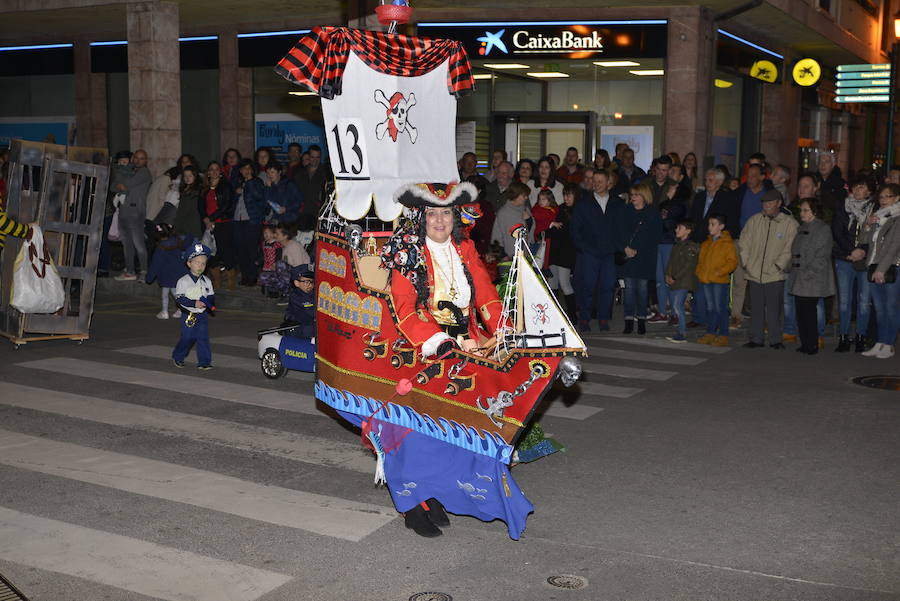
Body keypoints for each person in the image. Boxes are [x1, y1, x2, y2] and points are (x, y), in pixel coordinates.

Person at [383, 184, 509, 538]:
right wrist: (438, 342)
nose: (440, 220)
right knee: (416, 434)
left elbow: (485, 295)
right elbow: (405, 309)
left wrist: (504, 328)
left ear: (456, 218)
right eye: (433, 213)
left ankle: (435, 492)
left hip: (465, 347)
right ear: (421, 217)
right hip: (420, 347)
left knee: (455, 430)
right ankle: (412, 504)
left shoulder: (464, 248)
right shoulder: (408, 253)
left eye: (446, 213)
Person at [739, 189, 798, 349]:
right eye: (764, 203)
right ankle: (756, 338)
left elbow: (791, 246)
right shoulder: (755, 220)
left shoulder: (789, 223)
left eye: (770, 203)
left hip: (775, 273)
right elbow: (744, 241)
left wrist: (779, 265)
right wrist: (746, 262)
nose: (766, 206)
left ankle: (775, 339)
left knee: (774, 308)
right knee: (756, 308)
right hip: (754, 272)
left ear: (779, 203)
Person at [571, 170, 625, 332]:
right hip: (589, 252)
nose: (596, 184)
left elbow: (622, 228)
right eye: (594, 181)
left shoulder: (617, 203)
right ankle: (584, 319)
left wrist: (618, 247)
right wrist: (583, 247)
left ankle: (603, 319)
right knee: (587, 286)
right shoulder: (583, 203)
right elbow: (575, 229)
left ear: (608, 183)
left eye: (600, 181)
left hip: (609, 253)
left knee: (607, 287)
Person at [687, 168, 736, 327]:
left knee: (714, 283)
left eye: (711, 180)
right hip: (699, 242)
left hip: (716, 244)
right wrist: (691, 239)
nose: (707, 183)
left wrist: (722, 239)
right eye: (706, 179)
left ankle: (714, 319)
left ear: (720, 182)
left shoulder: (727, 198)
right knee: (698, 280)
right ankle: (698, 317)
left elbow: (730, 221)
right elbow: (693, 219)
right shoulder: (700, 197)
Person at [832, 177, 875, 352]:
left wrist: (862, 251)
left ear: (869, 191)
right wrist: (851, 250)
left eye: (862, 187)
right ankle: (843, 337)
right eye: (855, 187)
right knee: (844, 301)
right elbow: (837, 232)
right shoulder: (844, 207)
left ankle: (860, 336)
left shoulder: (875, 210)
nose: (857, 191)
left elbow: (875, 235)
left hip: (865, 259)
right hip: (844, 258)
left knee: (864, 301)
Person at [858, 183, 900, 359]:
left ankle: (889, 344)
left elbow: (894, 246)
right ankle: (880, 342)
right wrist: (868, 225)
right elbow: (863, 240)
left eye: (887, 196)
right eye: (881, 197)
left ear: (897, 198)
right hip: (873, 265)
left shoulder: (897, 217)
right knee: (879, 308)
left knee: (891, 307)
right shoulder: (879, 216)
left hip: (892, 267)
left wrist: (882, 270)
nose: (883, 200)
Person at [788, 198, 836, 355]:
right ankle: (805, 343)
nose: (802, 213)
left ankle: (812, 344)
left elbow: (822, 255)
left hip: (813, 277)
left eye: (805, 210)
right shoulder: (802, 228)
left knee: (808, 311)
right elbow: (795, 252)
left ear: (814, 211)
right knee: (801, 312)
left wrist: (808, 272)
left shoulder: (823, 228)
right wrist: (790, 268)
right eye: (801, 210)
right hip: (799, 277)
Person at [618, 183, 663, 335]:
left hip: (645, 256)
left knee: (643, 289)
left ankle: (642, 319)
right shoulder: (625, 211)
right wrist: (625, 247)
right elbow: (619, 232)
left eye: (636, 195)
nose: (633, 198)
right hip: (629, 255)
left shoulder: (652, 212)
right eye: (632, 195)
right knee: (629, 289)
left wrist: (640, 249)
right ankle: (629, 320)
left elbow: (656, 235)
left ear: (644, 196)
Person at [650, 164, 689, 324]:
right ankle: (662, 311)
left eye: (674, 172)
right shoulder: (666, 202)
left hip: (670, 243)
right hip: (660, 241)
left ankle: (675, 312)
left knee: (670, 278)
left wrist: (662, 218)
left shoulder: (679, 203)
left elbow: (667, 223)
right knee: (660, 278)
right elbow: (658, 219)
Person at [695, 214, 738, 346]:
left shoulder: (727, 243)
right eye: (709, 224)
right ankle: (710, 332)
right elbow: (700, 261)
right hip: (706, 279)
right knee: (710, 308)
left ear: (721, 226)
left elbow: (732, 262)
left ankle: (723, 335)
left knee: (720, 308)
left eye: (713, 224)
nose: (709, 227)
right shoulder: (706, 243)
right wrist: (699, 272)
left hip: (719, 280)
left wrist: (720, 272)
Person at [172, 242, 215, 370]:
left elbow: (211, 295)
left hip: (202, 315)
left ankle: (204, 361)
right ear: (189, 263)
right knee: (188, 337)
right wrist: (194, 303)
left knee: (203, 338)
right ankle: (178, 355)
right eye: (197, 262)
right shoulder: (183, 281)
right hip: (188, 315)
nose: (200, 266)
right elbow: (180, 299)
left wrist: (209, 303)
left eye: (203, 263)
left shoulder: (207, 281)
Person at [114, 149, 152, 282]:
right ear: (132, 158)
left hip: (135, 212)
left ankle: (144, 272)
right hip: (123, 212)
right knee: (127, 245)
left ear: (146, 161)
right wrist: (120, 184)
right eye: (136, 157)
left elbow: (127, 185)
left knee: (138, 244)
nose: (138, 160)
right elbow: (113, 186)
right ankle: (130, 271)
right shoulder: (129, 171)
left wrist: (121, 183)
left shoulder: (144, 172)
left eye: (142, 158)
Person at [201, 161, 237, 290]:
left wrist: (212, 218)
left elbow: (226, 205)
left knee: (225, 252)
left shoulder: (226, 186)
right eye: (211, 169)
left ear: (220, 172)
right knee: (211, 254)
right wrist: (206, 219)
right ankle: (216, 280)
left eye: (217, 169)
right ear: (208, 172)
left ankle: (231, 280)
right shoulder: (204, 188)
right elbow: (200, 206)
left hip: (223, 223)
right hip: (208, 225)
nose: (214, 171)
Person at [233, 159, 267, 286]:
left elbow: (260, 197)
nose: (246, 171)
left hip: (252, 219)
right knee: (240, 249)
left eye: (248, 168)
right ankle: (245, 275)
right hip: (238, 219)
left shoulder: (257, 182)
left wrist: (249, 184)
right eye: (243, 168)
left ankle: (252, 277)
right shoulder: (239, 183)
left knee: (251, 249)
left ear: (252, 170)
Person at [145, 223, 189, 320]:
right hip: (178, 273)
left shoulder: (160, 248)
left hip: (165, 275)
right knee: (175, 292)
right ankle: (182, 309)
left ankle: (165, 311)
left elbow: (155, 264)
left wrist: (149, 278)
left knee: (165, 294)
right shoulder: (178, 241)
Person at [664, 220, 699, 343]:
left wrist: (674, 276)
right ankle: (680, 332)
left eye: (679, 228)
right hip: (674, 280)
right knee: (675, 307)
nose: (676, 230)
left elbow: (688, 266)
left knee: (677, 306)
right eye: (677, 227)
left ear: (688, 231)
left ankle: (682, 334)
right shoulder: (677, 244)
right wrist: (667, 275)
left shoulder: (691, 246)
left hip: (683, 281)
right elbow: (670, 262)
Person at [548, 184, 578, 321]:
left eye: (569, 195)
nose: (566, 198)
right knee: (552, 283)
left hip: (567, 252)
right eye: (565, 195)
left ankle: (572, 316)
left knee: (564, 283)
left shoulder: (578, 210)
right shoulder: (560, 208)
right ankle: (554, 315)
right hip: (555, 250)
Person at [491, 181, 533, 260]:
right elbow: (497, 236)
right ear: (516, 195)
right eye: (524, 195)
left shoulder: (525, 209)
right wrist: (503, 255)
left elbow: (529, 232)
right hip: (509, 257)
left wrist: (528, 220)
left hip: (524, 255)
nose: (526, 198)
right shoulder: (503, 213)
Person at [292, 144, 328, 220]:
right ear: (308, 157)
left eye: (318, 157)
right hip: (301, 213)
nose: (315, 160)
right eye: (312, 157)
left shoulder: (326, 174)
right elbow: (294, 193)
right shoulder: (299, 173)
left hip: (318, 213)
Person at [281, 264, 316, 338]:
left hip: (311, 326)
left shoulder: (315, 295)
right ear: (296, 283)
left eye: (312, 282)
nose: (310, 285)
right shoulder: (295, 297)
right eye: (306, 282)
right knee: (308, 328)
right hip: (299, 329)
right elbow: (303, 316)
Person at [531, 188, 559, 274]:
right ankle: (542, 268)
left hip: (550, 238)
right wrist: (551, 223)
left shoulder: (554, 209)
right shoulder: (537, 209)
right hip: (540, 237)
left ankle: (545, 268)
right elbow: (540, 220)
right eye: (539, 199)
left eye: (543, 199)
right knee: (540, 255)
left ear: (550, 200)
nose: (541, 201)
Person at [173, 165, 203, 240]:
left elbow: (185, 210)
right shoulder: (185, 190)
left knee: (194, 246)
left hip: (192, 227)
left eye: (190, 176)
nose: (187, 178)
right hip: (184, 227)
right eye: (185, 176)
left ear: (195, 176)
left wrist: (176, 227)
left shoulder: (196, 191)